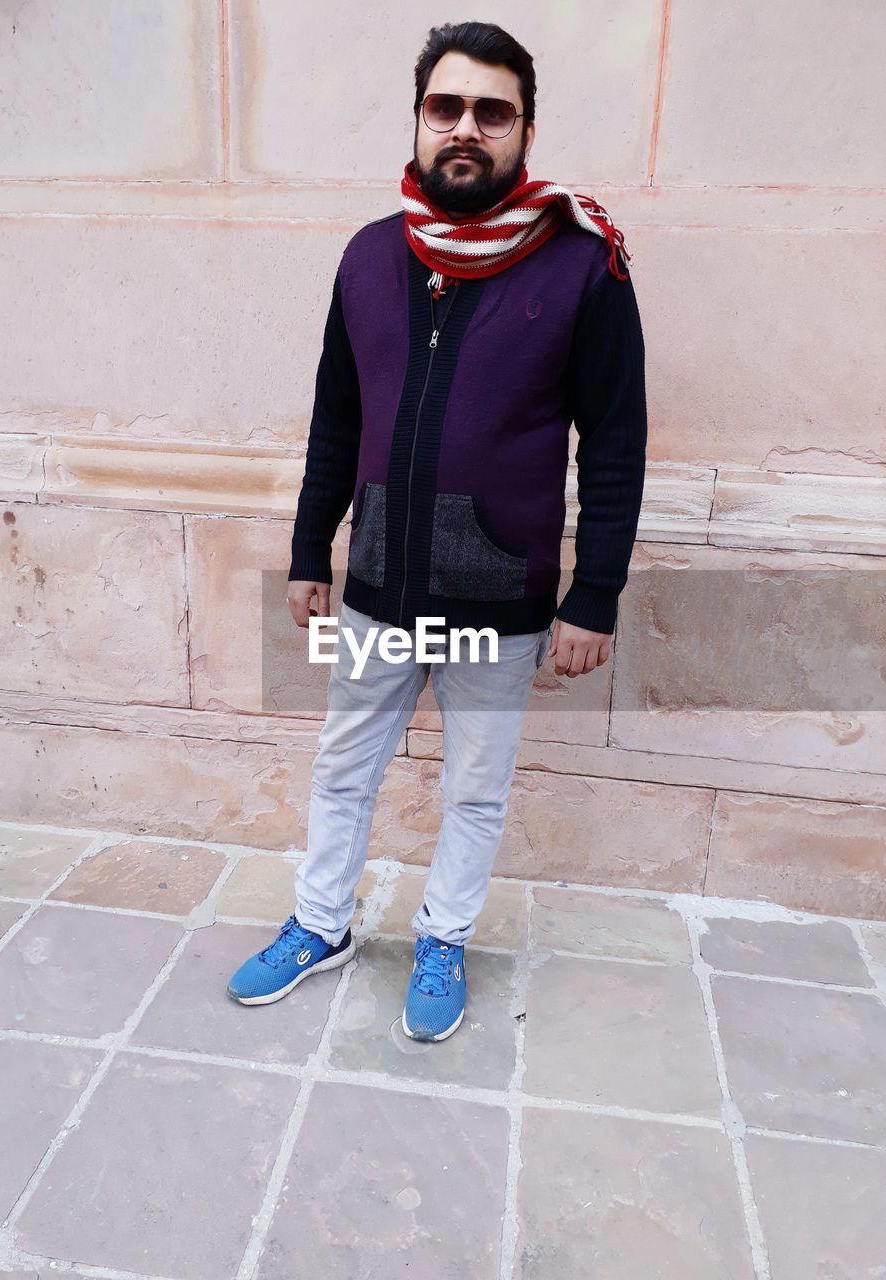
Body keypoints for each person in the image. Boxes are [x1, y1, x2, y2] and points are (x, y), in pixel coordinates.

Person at [227, 21, 647, 1042]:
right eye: (446, 107)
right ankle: (321, 922)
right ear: (419, 119)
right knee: (343, 765)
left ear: (525, 131)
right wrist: (306, 551)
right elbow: (336, 412)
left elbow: (619, 438)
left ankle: (443, 936)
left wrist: (592, 594)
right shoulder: (372, 256)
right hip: (374, 589)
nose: (466, 128)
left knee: (473, 789)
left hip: (496, 602)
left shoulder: (583, 264)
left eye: (491, 112)